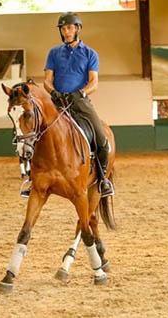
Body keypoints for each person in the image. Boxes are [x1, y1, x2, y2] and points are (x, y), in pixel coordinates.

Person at [38, 11, 113, 198]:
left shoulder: (90, 54)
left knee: (102, 139)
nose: (66, 31)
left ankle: (103, 179)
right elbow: (47, 80)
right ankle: (32, 178)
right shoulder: (54, 53)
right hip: (56, 101)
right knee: (34, 134)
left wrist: (80, 93)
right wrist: (53, 92)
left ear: (78, 29)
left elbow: (94, 82)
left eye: (69, 27)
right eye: (63, 28)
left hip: (79, 101)